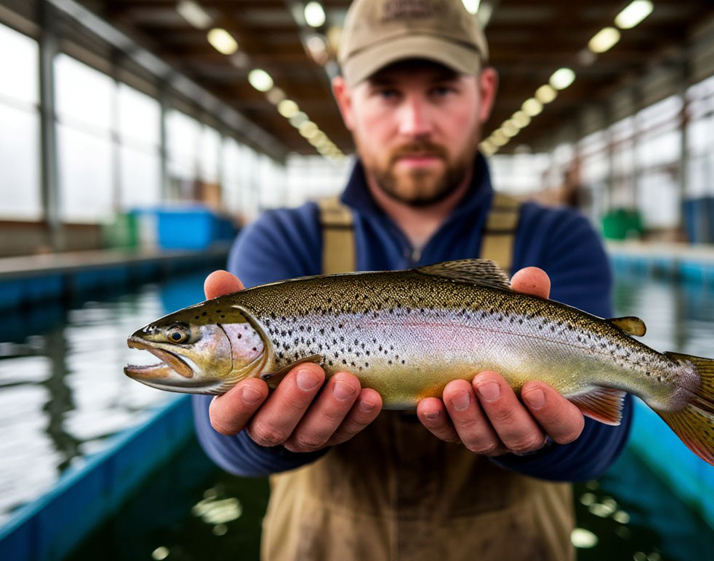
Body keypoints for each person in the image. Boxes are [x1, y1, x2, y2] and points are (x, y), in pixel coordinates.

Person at [193, 0, 632, 559]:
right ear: (347, 102)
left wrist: (539, 443)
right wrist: (267, 443)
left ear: (485, 94)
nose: (415, 123)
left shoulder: (561, 238)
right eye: (387, 92)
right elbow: (217, 434)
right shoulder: (281, 238)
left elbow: (606, 431)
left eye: (443, 90)